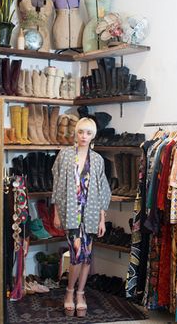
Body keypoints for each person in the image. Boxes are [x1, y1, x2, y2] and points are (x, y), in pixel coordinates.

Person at [52, 117, 111, 317]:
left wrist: (102, 219)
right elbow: (58, 185)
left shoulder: (97, 159)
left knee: (87, 255)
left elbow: (102, 189)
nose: (84, 136)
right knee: (77, 254)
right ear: (75, 133)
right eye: (80, 132)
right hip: (71, 212)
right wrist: (56, 213)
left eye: (88, 133)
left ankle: (80, 294)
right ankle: (69, 293)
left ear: (93, 135)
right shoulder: (65, 155)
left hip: (92, 213)